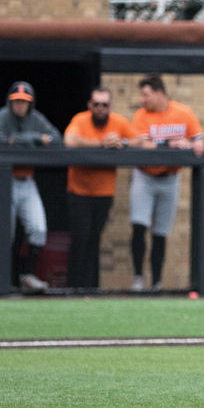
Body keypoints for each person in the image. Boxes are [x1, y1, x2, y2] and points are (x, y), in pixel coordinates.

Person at [128, 74, 204, 292]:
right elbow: (138, 143)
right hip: (145, 176)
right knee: (138, 225)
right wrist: (167, 143)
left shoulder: (183, 112)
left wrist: (192, 144)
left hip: (170, 178)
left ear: (159, 93)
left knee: (160, 232)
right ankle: (138, 278)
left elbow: (199, 140)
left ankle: (156, 282)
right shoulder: (141, 115)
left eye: (146, 94)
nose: (143, 99)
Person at [0, 81, 62, 294]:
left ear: (31, 103)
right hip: (4, 181)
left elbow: (56, 139)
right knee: (5, 235)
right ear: (11, 102)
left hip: (27, 182)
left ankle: (26, 276)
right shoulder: (3, 116)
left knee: (38, 229)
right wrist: (36, 141)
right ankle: (1, 282)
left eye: (24, 102)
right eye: (17, 101)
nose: (20, 105)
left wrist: (23, 139)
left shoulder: (36, 119)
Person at [63, 88, 139, 290]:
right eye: (96, 104)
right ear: (90, 105)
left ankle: (88, 288)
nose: (100, 108)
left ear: (110, 107)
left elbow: (142, 141)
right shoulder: (81, 119)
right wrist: (100, 143)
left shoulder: (119, 122)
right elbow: (69, 140)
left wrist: (121, 142)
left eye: (104, 105)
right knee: (80, 237)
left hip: (104, 192)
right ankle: (72, 287)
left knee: (94, 239)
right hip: (79, 191)